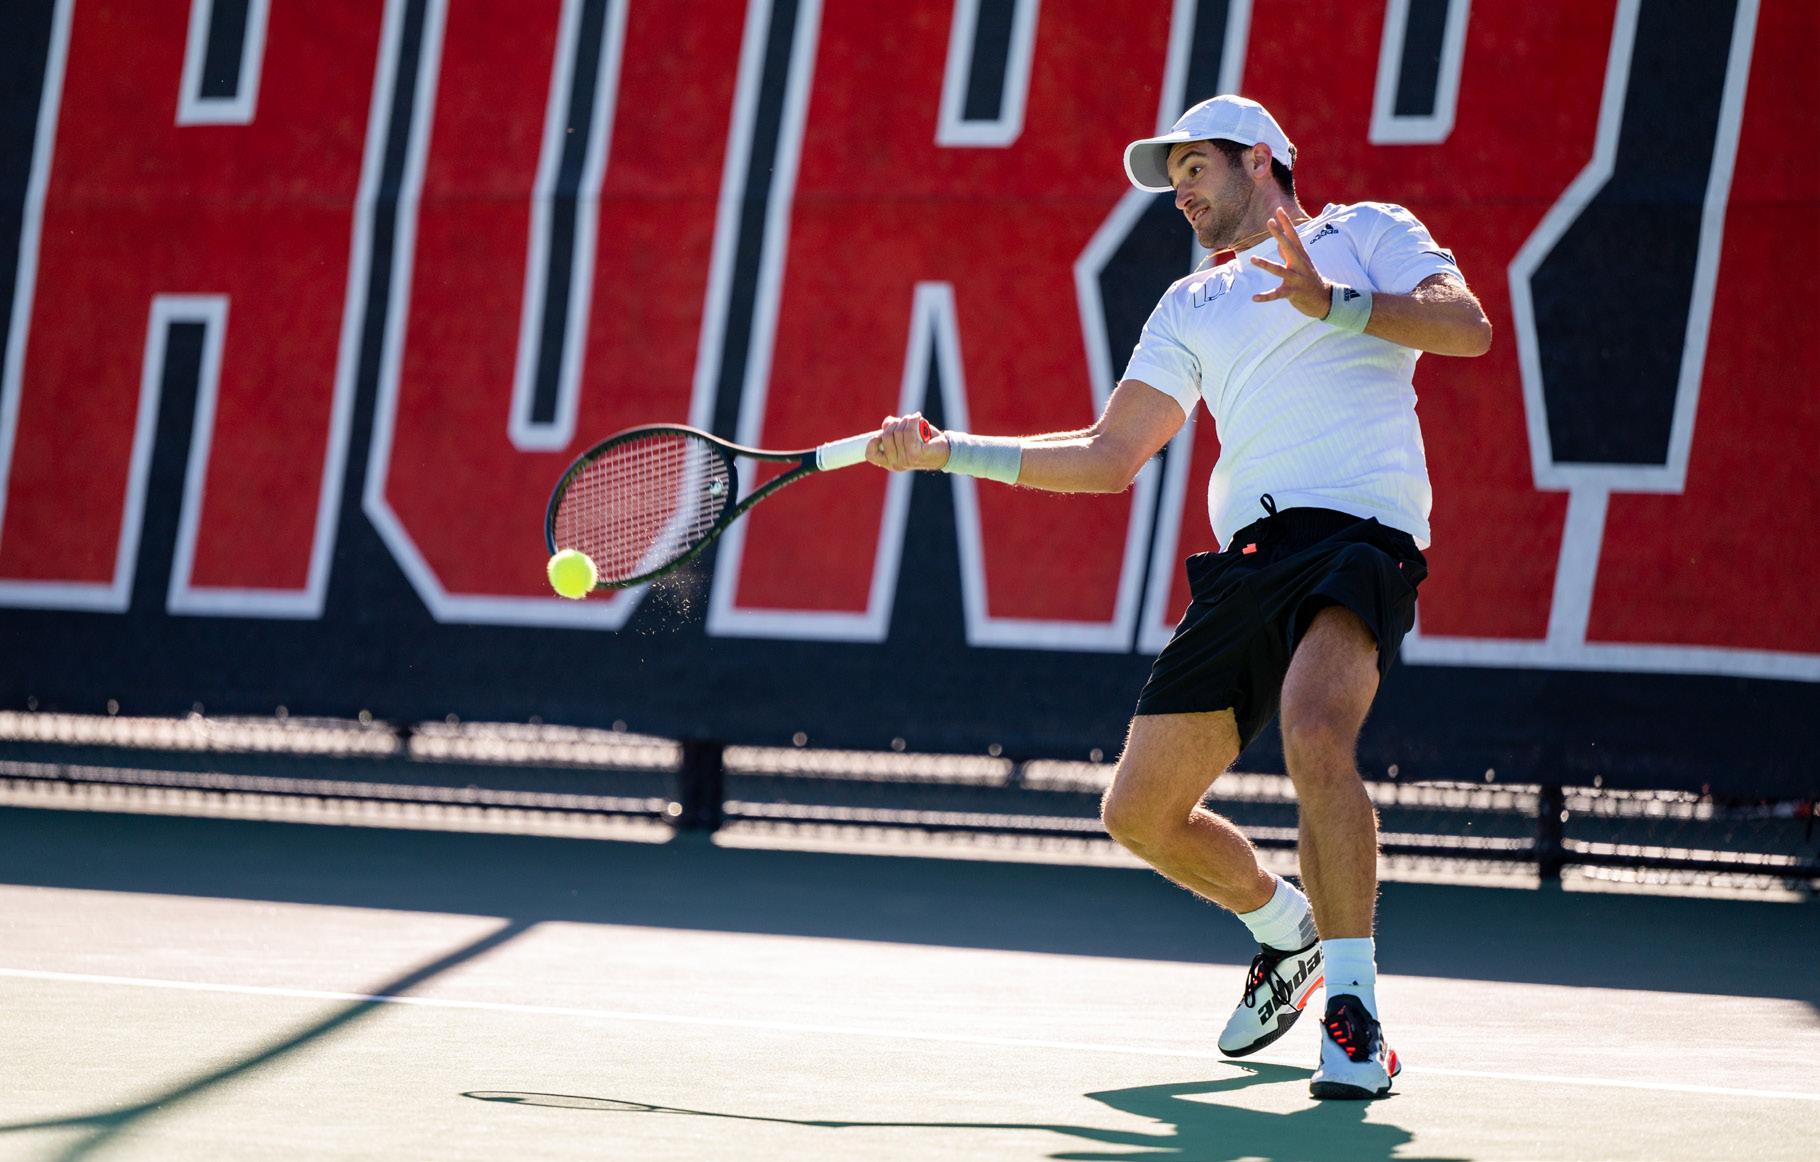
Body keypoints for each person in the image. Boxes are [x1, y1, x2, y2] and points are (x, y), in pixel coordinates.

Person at [865, 94, 1491, 1100]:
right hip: (1250, 558)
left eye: (1194, 168)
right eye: (1173, 180)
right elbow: (1107, 455)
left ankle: (1354, 1017)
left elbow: (1466, 327)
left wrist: (1337, 303)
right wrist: (947, 453)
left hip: (1359, 538)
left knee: (1314, 732)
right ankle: (1283, 927)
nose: (1180, 194)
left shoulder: (1366, 233)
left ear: (1260, 160)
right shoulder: (1189, 304)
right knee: (1138, 812)